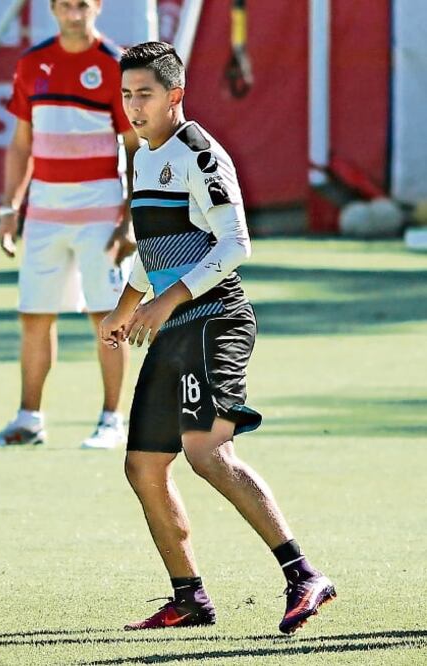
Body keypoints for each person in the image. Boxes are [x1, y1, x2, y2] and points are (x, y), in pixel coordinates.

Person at [102, 41, 336, 633]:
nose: (134, 106)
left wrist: (168, 300)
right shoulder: (142, 153)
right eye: (127, 95)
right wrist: (126, 308)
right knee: (144, 466)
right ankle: (189, 598)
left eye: (145, 95)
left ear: (174, 95)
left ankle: (303, 574)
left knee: (208, 453)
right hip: (171, 322)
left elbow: (236, 245)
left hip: (215, 320)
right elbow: (152, 251)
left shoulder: (199, 152)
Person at [0, 0, 140, 450]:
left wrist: (129, 219)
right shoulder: (32, 63)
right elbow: (21, 143)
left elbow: (134, 146)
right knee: (34, 315)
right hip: (44, 214)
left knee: (106, 315)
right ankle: (29, 419)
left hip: (100, 214)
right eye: (66, 4)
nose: (74, 12)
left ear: (98, 7)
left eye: (83, 4)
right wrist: (10, 208)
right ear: (52, 9)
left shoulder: (117, 65)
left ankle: (112, 420)